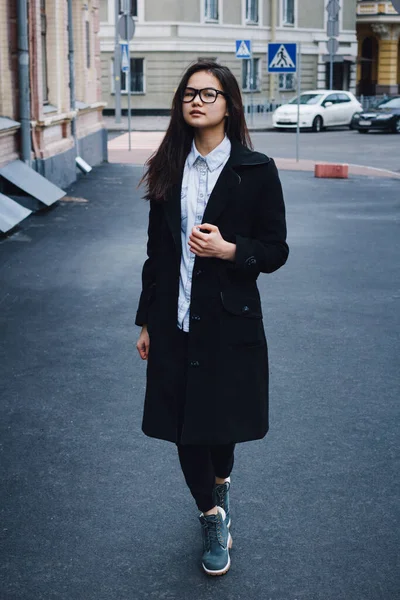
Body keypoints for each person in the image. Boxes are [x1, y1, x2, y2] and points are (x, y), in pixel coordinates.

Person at [135, 61, 289, 576]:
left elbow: (275, 249)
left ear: (229, 104)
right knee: (185, 428)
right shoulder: (168, 168)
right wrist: (147, 321)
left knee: (220, 429)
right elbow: (156, 252)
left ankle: (220, 481)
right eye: (189, 94)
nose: (197, 101)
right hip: (173, 317)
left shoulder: (256, 169)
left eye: (209, 93)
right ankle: (211, 514)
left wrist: (229, 249)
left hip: (229, 321)